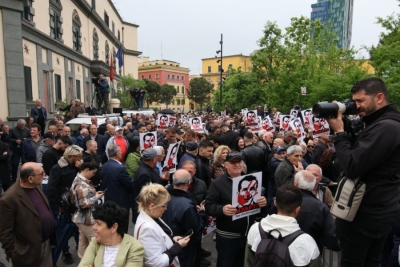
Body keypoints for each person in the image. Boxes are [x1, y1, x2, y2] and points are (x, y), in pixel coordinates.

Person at [327, 77, 400, 266]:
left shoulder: (387, 127)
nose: (356, 106)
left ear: (380, 98)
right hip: (378, 209)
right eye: (354, 101)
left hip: (365, 215)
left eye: (360, 101)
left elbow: (352, 166)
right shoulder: (381, 123)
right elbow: (358, 151)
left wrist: (339, 133)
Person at [205, 152, 267, 267]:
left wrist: (263, 204)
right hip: (227, 238)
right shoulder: (218, 184)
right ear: (226, 165)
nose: (237, 165)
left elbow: (258, 208)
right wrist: (222, 209)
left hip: (247, 236)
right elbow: (208, 206)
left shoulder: (251, 181)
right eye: (233, 162)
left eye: (239, 162)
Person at [245, 184, 320, 267]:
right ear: (298, 209)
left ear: (275, 203)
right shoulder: (306, 242)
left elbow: (248, 262)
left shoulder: (255, 229)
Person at [0, 162, 55, 267]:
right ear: (30, 178)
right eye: (41, 173)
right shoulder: (8, 199)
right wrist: (15, 253)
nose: (44, 175)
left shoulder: (35, 186)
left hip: (45, 244)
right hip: (27, 252)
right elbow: (5, 232)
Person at [134, 183, 190, 267]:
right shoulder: (147, 228)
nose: (166, 208)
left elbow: (158, 237)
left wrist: (171, 239)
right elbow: (156, 264)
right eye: (163, 206)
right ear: (152, 206)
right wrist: (177, 247)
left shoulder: (150, 215)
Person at [162, 170, 208, 267]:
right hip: (184, 248)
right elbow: (195, 229)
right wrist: (202, 214)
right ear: (188, 183)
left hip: (166, 244)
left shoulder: (163, 198)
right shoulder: (186, 205)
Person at [79, 201, 144, 267]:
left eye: (98, 224)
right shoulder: (95, 242)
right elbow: (83, 265)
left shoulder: (134, 247)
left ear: (114, 227)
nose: (94, 227)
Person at [48, 145, 83, 265]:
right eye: (78, 157)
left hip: (75, 205)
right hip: (64, 206)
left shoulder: (76, 167)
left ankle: (81, 253)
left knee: (79, 232)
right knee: (62, 235)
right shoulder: (57, 168)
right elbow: (51, 188)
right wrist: (61, 204)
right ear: (71, 156)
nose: (80, 159)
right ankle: (58, 257)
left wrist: (80, 169)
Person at [293, 170, 340, 256]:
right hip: (311, 252)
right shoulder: (320, 207)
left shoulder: (283, 199)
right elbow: (331, 236)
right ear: (313, 185)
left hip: (284, 252)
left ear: (295, 184)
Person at [70, 161, 104, 258]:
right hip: (87, 219)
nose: (93, 175)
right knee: (95, 243)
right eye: (93, 173)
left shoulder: (79, 180)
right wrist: (96, 197)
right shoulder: (81, 184)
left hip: (82, 218)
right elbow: (82, 204)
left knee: (83, 243)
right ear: (86, 170)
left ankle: (83, 262)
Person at [132, 148, 164, 223]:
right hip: (145, 210)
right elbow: (148, 194)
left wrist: (163, 180)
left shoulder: (147, 168)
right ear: (154, 160)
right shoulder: (144, 174)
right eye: (156, 158)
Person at [101, 145, 134, 218]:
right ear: (117, 153)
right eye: (120, 151)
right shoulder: (120, 168)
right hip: (121, 204)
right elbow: (130, 185)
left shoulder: (104, 165)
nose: (122, 152)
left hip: (109, 201)